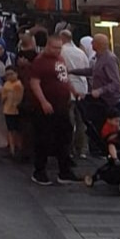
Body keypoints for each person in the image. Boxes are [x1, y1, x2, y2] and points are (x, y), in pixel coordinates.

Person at [28, 35, 80, 186]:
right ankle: (39, 171)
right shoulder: (40, 62)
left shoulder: (60, 59)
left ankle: (64, 171)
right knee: (43, 138)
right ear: (47, 46)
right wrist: (43, 101)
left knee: (64, 137)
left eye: (60, 48)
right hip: (46, 107)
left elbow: (64, 77)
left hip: (62, 106)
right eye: (55, 48)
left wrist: (73, 91)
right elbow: (34, 83)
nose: (58, 51)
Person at [60, 30, 91, 160]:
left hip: (69, 90)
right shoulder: (81, 52)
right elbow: (87, 69)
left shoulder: (61, 51)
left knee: (69, 122)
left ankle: (70, 148)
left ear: (62, 38)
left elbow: (61, 72)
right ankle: (83, 149)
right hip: (82, 89)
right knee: (82, 121)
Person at [1, 66, 24, 157]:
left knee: (18, 130)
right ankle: (12, 149)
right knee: (10, 130)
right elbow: (3, 98)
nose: (9, 76)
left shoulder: (19, 84)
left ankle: (19, 147)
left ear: (16, 74)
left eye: (11, 74)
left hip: (17, 110)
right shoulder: (6, 85)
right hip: (8, 110)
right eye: (7, 75)